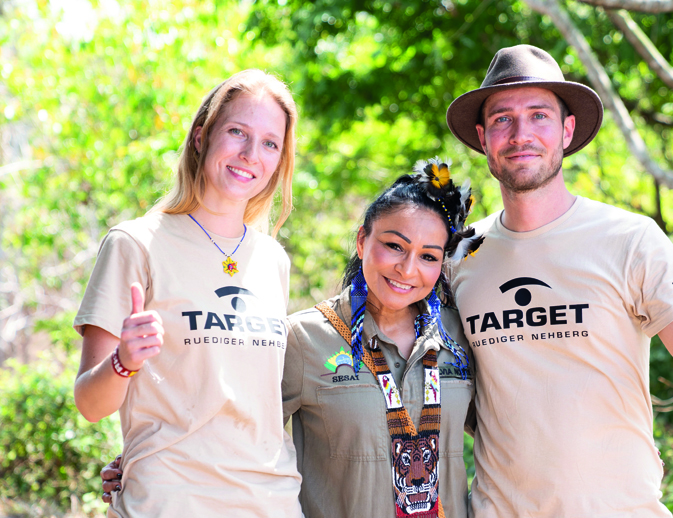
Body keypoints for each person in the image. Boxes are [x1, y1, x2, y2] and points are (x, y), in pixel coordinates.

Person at [444, 45, 673, 517]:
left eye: (539, 115)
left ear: (567, 131)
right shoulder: (460, 256)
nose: (521, 134)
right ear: (483, 138)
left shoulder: (631, 239)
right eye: (503, 119)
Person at [101, 160, 483, 518]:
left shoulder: (459, 335)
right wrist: (147, 462)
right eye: (395, 246)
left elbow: (502, 430)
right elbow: (230, 424)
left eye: (428, 256)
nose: (407, 268)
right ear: (362, 240)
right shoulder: (303, 339)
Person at [74, 69, 303, 517]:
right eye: (237, 132)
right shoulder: (135, 243)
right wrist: (126, 361)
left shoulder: (274, 259)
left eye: (270, 143)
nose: (251, 154)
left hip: (270, 502)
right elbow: (89, 404)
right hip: (169, 501)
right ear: (202, 136)